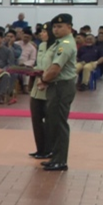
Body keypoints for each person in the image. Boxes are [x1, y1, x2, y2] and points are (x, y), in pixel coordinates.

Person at [37, 13, 77, 172]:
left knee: (59, 124)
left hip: (62, 86)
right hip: (56, 86)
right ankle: (56, 157)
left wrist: (44, 80)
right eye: (54, 26)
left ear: (69, 27)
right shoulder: (59, 43)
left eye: (60, 26)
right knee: (53, 122)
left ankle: (61, 160)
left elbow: (55, 68)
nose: (56, 29)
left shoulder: (65, 44)